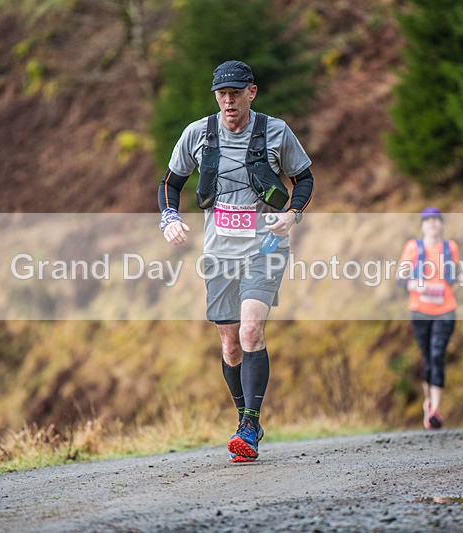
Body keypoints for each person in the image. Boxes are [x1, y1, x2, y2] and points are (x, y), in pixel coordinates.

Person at [157, 60, 314, 462]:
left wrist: (291, 214)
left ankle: (249, 424)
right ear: (216, 97)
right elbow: (171, 184)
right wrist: (169, 218)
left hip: (266, 248)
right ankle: (247, 418)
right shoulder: (197, 134)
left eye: (235, 93)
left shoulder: (275, 131)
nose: (228, 101)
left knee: (250, 330)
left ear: (251, 92)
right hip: (219, 252)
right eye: (221, 95)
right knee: (229, 345)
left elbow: (305, 178)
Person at [397, 207, 462, 430]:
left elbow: (452, 277)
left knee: (437, 355)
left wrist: (461, 277)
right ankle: (428, 404)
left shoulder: (450, 247)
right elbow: (400, 278)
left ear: (442, 224)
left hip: (445, 309)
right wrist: (413, 284)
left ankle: (435, 410)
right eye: (428, 221)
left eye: (436, 220)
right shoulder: (413, 248)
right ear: (422, 225)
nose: (433, 224)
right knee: (427, 357)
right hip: (420, 310)